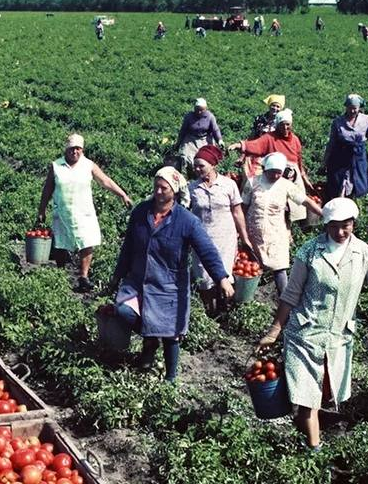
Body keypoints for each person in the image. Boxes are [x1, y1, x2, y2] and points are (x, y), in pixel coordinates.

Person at [257, 198, 368, 450]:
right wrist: (274, 331)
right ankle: (314, 451)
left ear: (354, 223)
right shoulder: (309, 252)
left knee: (322, 394)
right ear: (325, 225)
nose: (341, 232)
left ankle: (302, 424)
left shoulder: (363, 252)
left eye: (346, 225)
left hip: (338, 337)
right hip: (305, 334)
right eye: (334, 226)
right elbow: (291, 294)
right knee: (309, 399)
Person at [110, 167, 236, 381]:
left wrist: (221, 278)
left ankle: (170, 378)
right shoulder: (141, 212)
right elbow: (128, 247)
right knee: (123, 311)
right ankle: (150, 340)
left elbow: (206, 250)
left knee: (170, 333)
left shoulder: (186, 220)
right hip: (138, 281)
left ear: (174, 190)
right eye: (156, 187)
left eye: (163, 188)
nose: (158, 192)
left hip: (168, 286)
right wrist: (117, 275)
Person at [37, 133, 133, 292]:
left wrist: (122, 194)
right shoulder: (56, 166)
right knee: (60, 243)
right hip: (62, 211)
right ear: (66, 149)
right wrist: (41, 209)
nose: (75, 152)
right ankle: (60, 275)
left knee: (87, 242)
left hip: (84, 212)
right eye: (72, 148)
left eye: (78, 149)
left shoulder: (88, 165)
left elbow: (105, 181)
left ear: (82, 150)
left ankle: (83, 277)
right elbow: (48, 189)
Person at [242, 153, 323, 300]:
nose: (275, 176)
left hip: (276, 232)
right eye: (272, 172)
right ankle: (249, 299)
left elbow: (305, 201)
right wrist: (241, 231)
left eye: (279, 173)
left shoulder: (286, 185)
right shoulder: (253, 182)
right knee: (252, 269)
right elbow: (243, 207)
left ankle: (285, 301)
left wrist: (322, 213)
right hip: (253, 231)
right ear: (265, 169)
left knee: (279, 268)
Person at [188, 145, 251, 315]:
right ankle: (210, 311)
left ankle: (225, 312)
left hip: (225, 238)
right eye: (196, 166)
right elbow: (185, 213)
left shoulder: (228, 185)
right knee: (204, 277)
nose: (197, 169)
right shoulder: (192, 188)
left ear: (212, 164)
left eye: (201, 165)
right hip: (201, 239)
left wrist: (244, 237)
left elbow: (237, 212)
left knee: (224, 275)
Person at [324, 94, 368, 200]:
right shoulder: (338, 122)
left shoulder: (366, 120)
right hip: (340, 159)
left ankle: (353, 210)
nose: (352, 111)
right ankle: (339, 212)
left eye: (354, 108)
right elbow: (331, 143)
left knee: (357, 185)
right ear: (346, 107)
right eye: (349, 108)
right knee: (340, 187)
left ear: (359, 108)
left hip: (358, 159)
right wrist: (325, 161)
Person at [174, 98, 223, 170]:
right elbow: (183, 131)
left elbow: (215, 129)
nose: (199, 112)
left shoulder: (210, 117)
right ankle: (191, 172)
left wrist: (219, 140)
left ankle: (203, 170)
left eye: (201, 110)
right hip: (191, 139)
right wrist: (178, 142)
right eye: (197, 110)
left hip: (205, 139)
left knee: (205, 157)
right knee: (187, 156)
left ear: (205, 109)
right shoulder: (189, 117)